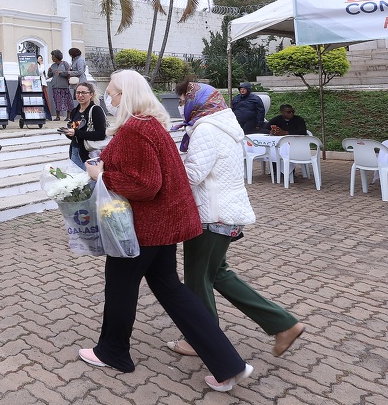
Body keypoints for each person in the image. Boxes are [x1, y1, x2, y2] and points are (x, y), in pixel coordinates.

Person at [80, 70, 253, 393]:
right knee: (172, 291)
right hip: (162, 226)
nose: (110, 98)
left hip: (144, 228)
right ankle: (229, 364)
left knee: (120, 286)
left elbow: (146, 184)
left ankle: (113, 351)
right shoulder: (149, 124)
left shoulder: (135, 129)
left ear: (126, 96)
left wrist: (100, 176)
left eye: (113, 93)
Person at [167, 80, 306, 360]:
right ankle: (283, 324)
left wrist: (166, 168)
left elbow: (193, 174)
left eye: (183, 99)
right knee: (218, 274)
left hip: (211, 214)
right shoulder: (224, 127)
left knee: (198, 279)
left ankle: (202, 340)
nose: (181, 105)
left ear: (197, 100)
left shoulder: (206, 129)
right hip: (225, 212)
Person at [61, 81, 106, 169]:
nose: (80, 95)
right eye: (78, 93)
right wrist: (68, 132)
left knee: (90, 180)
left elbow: (101, 134)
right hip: (75, 150)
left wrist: (76, 133)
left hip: (89, 153)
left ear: (91, 94)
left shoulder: (95, 110)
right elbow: (75, 132)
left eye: (84, 93)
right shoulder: (75, 111)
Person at [46, 49, 74, 121]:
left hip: (64, 86)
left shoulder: (65, 63)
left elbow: (68, 73)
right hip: (55, 86)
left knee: (67, 101)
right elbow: (50, 75)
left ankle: (68, 116)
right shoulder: (53, 65)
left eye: (53, 56)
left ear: (57, 56)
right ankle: (57, 116)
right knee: (57, 101)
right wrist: (49, 72)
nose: (52, 58)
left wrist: (61, 72)